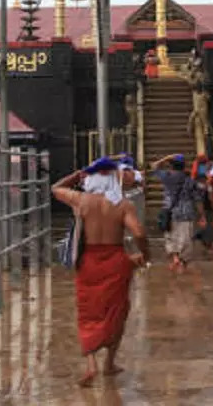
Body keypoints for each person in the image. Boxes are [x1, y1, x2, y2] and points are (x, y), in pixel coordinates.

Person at [51, 157, 148, 387]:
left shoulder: (81, 200)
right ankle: (109, 364)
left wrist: (77, 174)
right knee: (116, 311)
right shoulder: (123, 205)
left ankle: (91, 364)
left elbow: (55, 188)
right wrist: (145, 256)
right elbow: (140, 234)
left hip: (88, 263)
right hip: (116, 260)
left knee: (89, 312)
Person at [152, 154, 203, 272]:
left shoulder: (167, 177)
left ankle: (175, 257)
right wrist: (202, 215)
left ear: (171, 166)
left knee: (171, 237)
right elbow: (198, 199)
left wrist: (166, 158)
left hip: (170, 212)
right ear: (184, 166)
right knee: (186, 239)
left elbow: (154, 166)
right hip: (186, 213)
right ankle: (182, 261)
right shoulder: (190, 181)